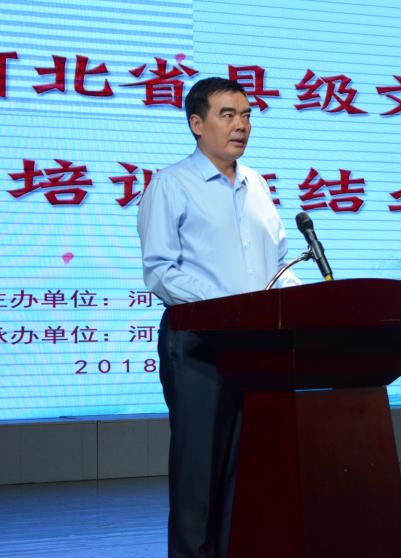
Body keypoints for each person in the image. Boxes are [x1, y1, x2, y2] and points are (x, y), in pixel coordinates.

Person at [136, 77, 300, 558]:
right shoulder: (171, 184)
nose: (241, 125)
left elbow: (279, 263)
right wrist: (229, 308)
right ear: (196, 123)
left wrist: (297, 301)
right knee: (200, 474)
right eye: (227, 115)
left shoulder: (258, 185)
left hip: (258, 348)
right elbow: (160, 271)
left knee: (247, 472)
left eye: (246, 115)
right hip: (199, 346)